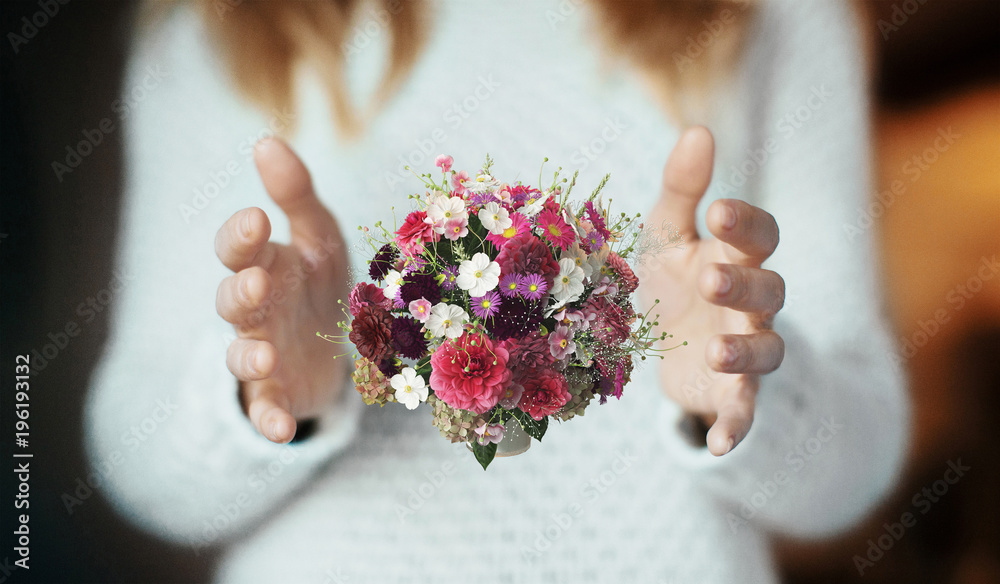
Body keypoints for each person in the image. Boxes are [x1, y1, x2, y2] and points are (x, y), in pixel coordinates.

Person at [85, 0, 908, 582]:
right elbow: (134, 452)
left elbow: (860, 469)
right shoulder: (223, 25)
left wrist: (744, 393)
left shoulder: (773, 14)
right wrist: (264, 394)